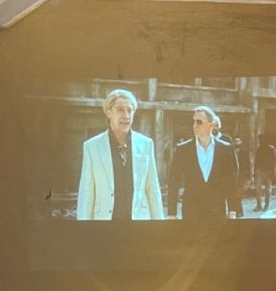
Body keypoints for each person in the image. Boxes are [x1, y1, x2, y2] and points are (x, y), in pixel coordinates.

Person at [76, 89, 164, 220]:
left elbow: (153, 189)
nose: (126, 115)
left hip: (138, 223)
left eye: (129, 110)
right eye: (120, 110)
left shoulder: (146, 144)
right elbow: (86, 192)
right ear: (109, 112)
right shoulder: (92, 147)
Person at [167, 106, 240, 220]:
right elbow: (173, 182)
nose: (194, 125)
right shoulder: (183, 149)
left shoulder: (225, 148)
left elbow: (230, 181)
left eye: (199, 122)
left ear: (211, 125)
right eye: (193, 121)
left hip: (216, 211)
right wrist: (171, 213)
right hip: (191, 212)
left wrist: (233, 210)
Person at [254, 136, 276, 211]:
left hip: (269, 172)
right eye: (260, 140)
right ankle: (259, 205)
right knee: (257, 189)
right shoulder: (259, 149)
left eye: (262, 140)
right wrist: (255, 171)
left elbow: (274, 161)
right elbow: (256, 161)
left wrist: (273, 171)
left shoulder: (271, 149)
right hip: (260, 172)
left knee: (268, 190)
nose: (261, 141)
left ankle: (266, 205)